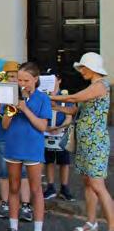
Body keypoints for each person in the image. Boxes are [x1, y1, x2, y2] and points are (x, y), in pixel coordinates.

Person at [51, 52, 114, 231]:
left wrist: (50, 96)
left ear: (91, 68)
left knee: (97, 185)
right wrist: (55, 106)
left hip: (96, 141)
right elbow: (74, 109)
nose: (81, 72)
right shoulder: (93, 86)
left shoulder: (100, 86)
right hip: (86, 141)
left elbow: (75, 99)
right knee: (88, 182)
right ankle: (91, 221)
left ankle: (112, 228)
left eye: (83, 68)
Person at [0, 62, 51, 231]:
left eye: (26, 80)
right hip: (13, 146)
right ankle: (13, 229)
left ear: (35, 80)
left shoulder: (43, 99)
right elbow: (4, 125)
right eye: (19, 80)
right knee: (13, 187)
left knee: (36, 190)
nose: (22, 84)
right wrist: (10, 110)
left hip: (32, 149)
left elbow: (43, 126)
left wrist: (25, 109)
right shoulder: (12, 97)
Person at [0, 61, 33, 221]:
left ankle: (26, 205)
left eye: (16, 76)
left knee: (23, 173)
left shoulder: (28, 93)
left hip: (21, 137)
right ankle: (5, 203)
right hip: (3, 135)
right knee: (3, 171)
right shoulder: (1, 90)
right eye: (10, 76)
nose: (13, 80)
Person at [42, 69, 74, 201]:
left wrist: (59, 127)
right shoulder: (44, 96)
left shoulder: (65, 96)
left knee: (64, 161)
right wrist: (47, 127)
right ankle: (50, 187)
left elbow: (69, 116)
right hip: (46, 132)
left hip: (61, 133)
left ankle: (64, 187)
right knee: (49, 160)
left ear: (59, 80)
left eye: (53, 79)